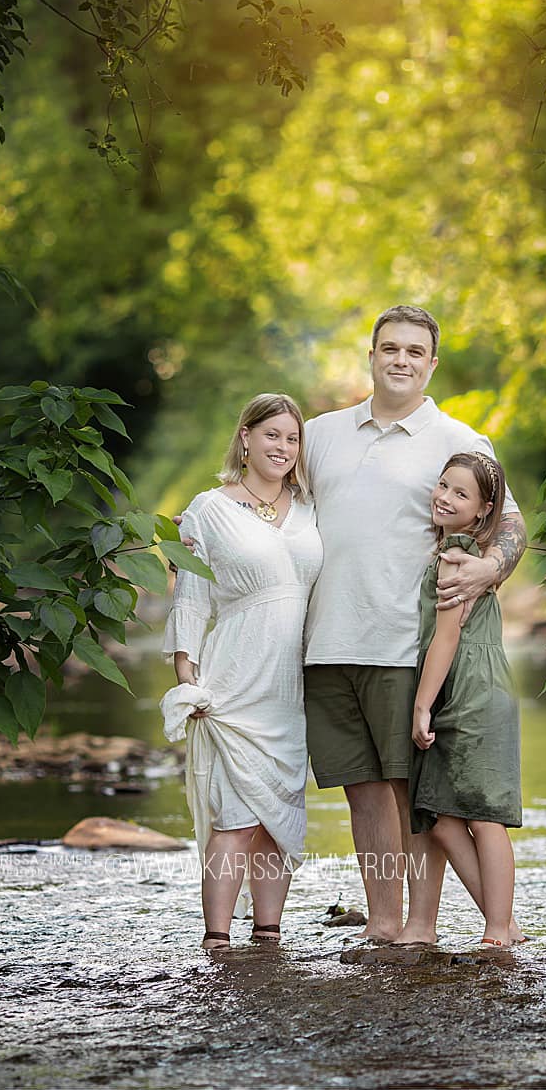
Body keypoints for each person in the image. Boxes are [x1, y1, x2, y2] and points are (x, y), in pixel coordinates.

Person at [301, 304, 524, 943]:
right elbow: (272, 493)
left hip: (404, 641)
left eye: (414, 352)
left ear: (431, 364)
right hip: (327, 640)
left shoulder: (456, 439)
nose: (400, 360)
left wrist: (488, 572)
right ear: (371, 355)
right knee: (363, 794)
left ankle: (422, 929)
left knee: (411, 794)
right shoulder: (322, 434)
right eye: (389, 348)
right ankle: (383, 924)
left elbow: (509, 522)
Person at [161, 393, 322, 951]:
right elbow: (192, 598)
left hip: (294, 686)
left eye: (292, 438)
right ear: (246, 437)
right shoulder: (209, 509)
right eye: (271, 434)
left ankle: (269, 936)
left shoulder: (309, 509)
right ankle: (216, 941)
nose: (282, 447)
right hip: (234, 680)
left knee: (279, 813)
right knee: (235, 818)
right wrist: (188, 677)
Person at [398, 452, 522, 947]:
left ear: (484, 509)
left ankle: (496, 933)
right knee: (444, 821)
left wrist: (421, 705)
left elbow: (447, 637)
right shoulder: (451, 550)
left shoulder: (458, 557)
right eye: (443, 486)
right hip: (459, 689)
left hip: (473, 692)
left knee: (483, 814)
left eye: (461, 494)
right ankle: (505, 923)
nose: (446, 498)